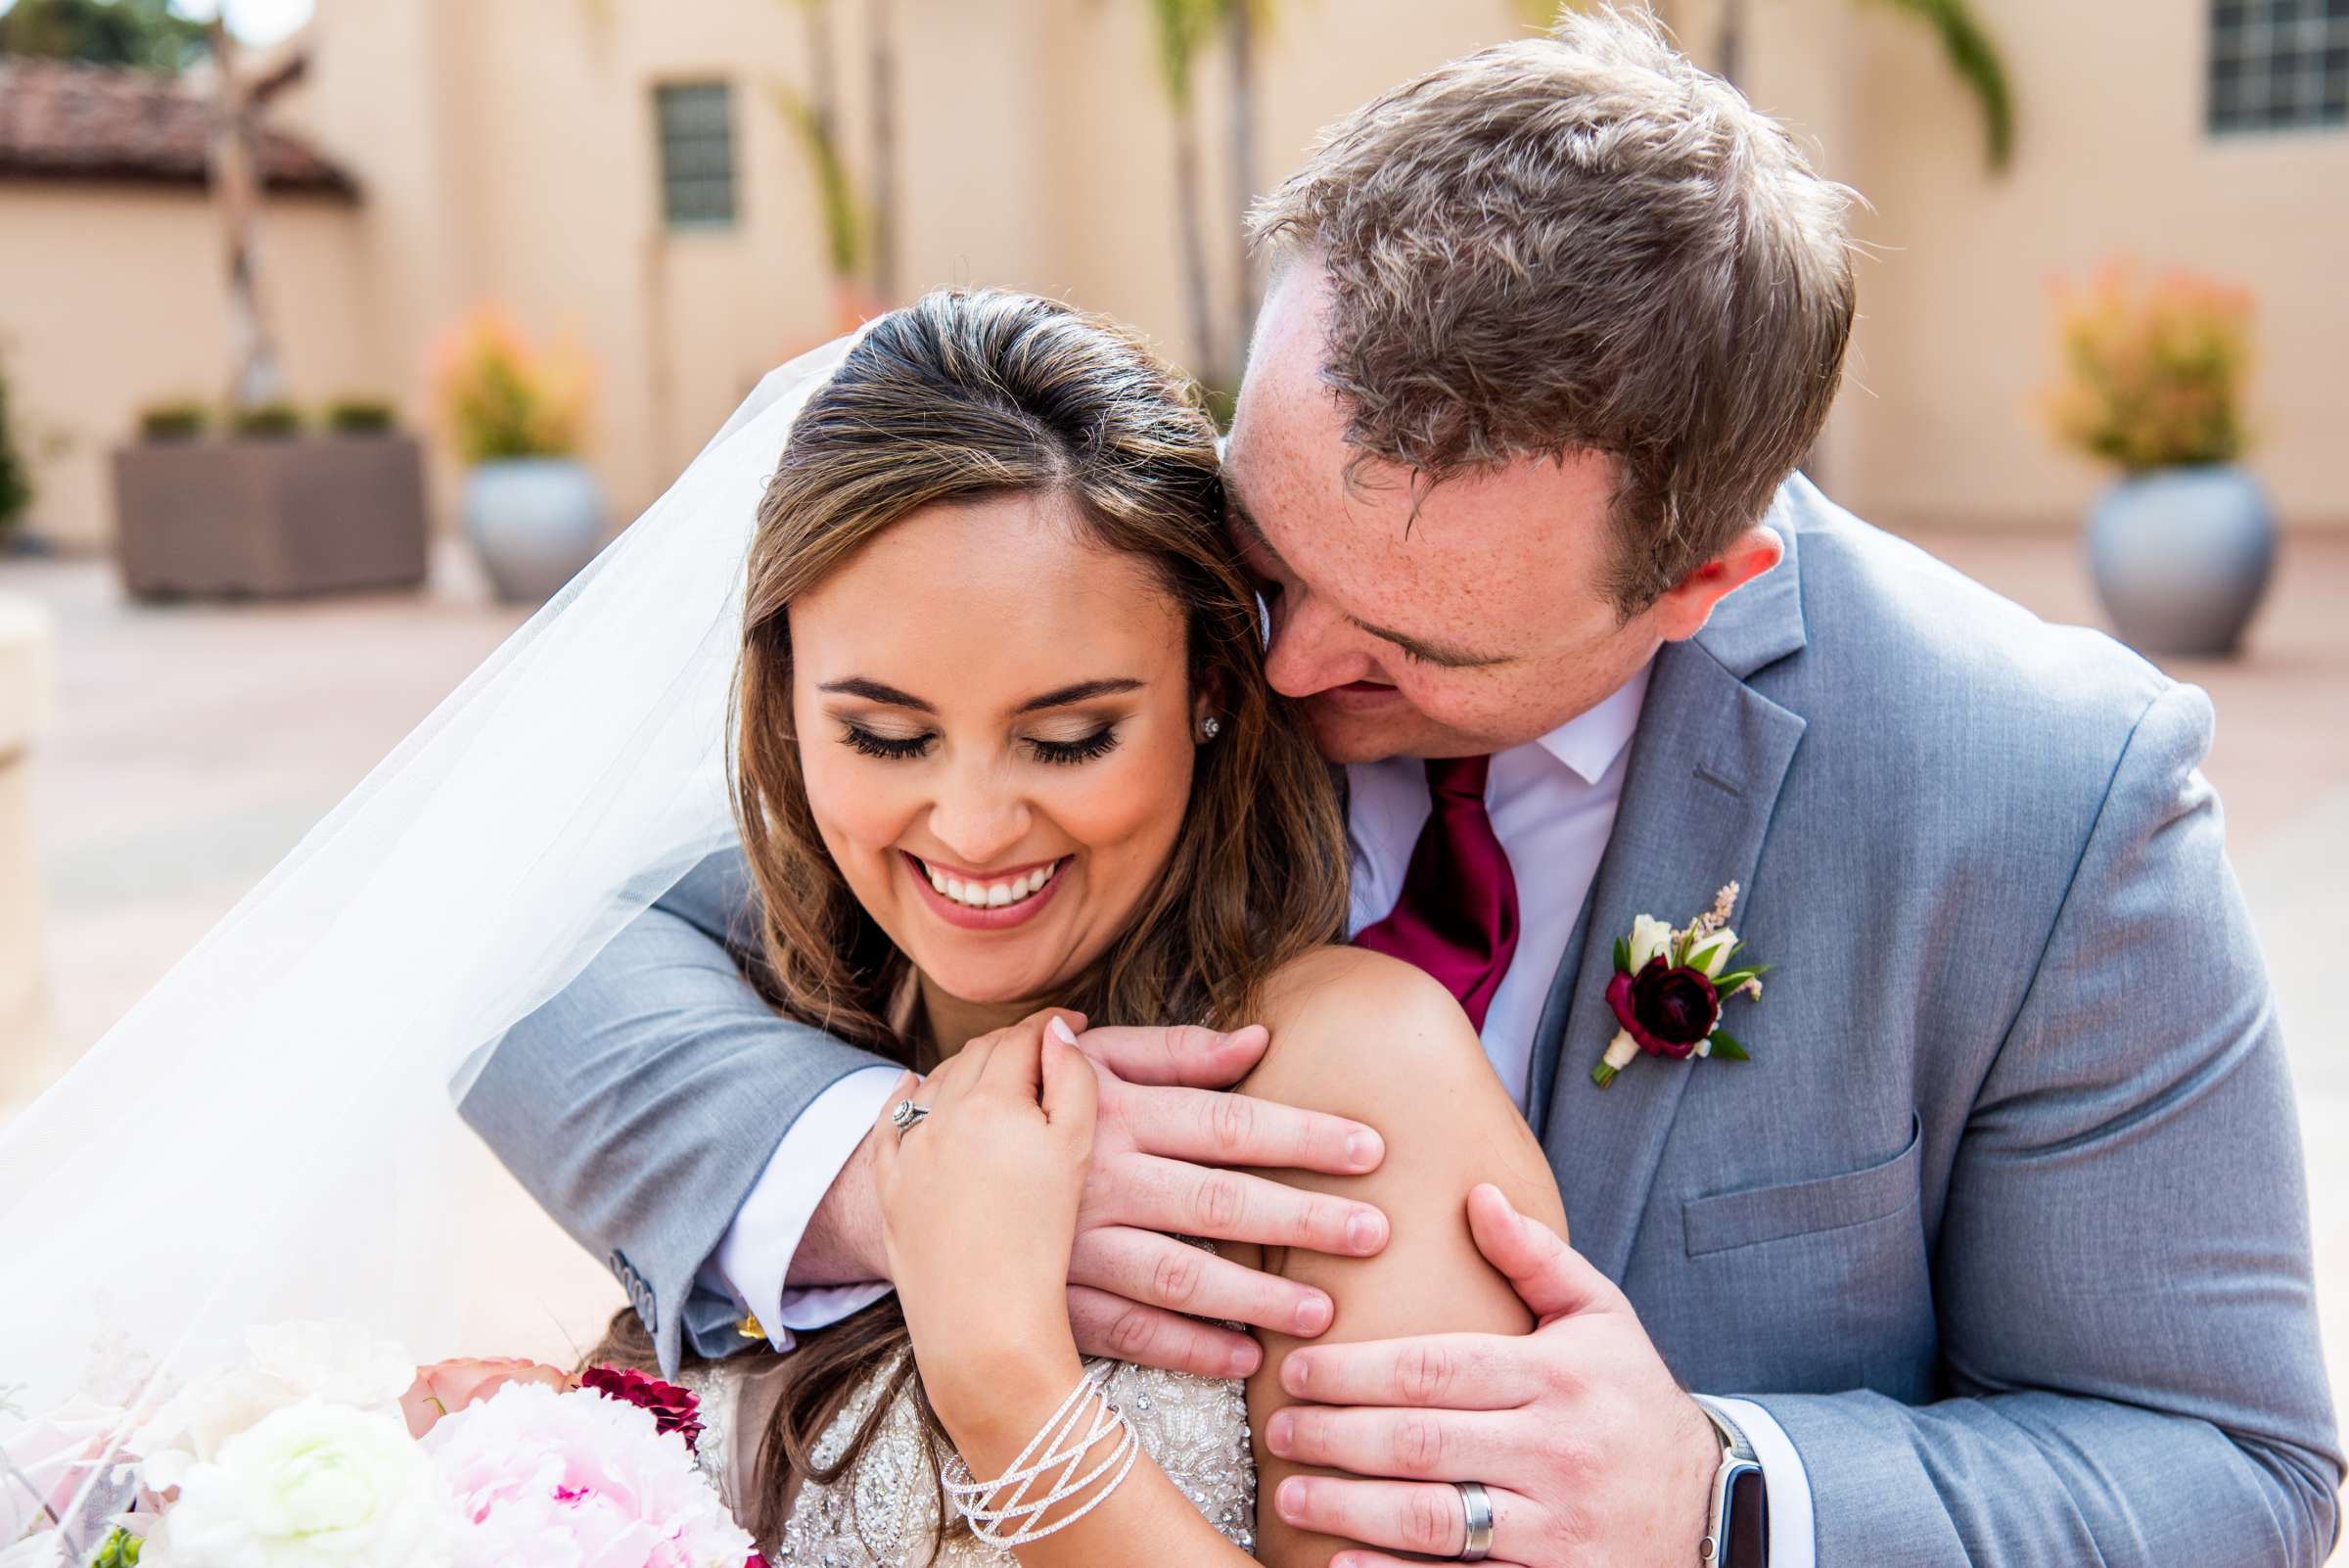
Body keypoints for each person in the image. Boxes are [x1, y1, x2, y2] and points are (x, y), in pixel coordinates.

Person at [469, 13, 2342, 1567]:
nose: (1276, 674)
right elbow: (510, 945)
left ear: (1704, 588)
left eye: (1408, 647)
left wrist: (1728, 1492)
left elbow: (2232, 1469)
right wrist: (884, 1178)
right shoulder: (1129, 604)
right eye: (1277, 561)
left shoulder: (2042, 799)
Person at [573, 284, 1568, 1566]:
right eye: (884, 733)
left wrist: (1009, 1388)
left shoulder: (1356, 1091)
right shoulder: (754, 1027)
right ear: (784, 700)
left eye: (1067, 736)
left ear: (1210, 687)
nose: (976, 826)